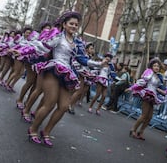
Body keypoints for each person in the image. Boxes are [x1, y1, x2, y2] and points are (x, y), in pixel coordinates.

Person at [25, 11, 108, 147]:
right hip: (53, 69)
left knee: (63, 107)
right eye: (71, 23)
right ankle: (33, 128)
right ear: (64, 24)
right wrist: (25, 49)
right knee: (49, 103)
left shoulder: (77, 43)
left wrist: (100, 64)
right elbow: (43, 46)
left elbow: (83, 60)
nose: (74, 26)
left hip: (67, 73)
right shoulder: (58, 37)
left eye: (76, 24)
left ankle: (46, 131)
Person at [127, 58, 166, 140]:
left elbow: (161, 87)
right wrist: (132, 88)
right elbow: (141, 82)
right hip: (147, 94)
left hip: (153, 96)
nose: (156, 67)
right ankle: (133, 129)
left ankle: (140, 132)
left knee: (149, 117)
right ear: (151, 66)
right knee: (144, 115)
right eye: (155, 65)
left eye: (158, 66)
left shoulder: (159, 76)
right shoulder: (149, 73)